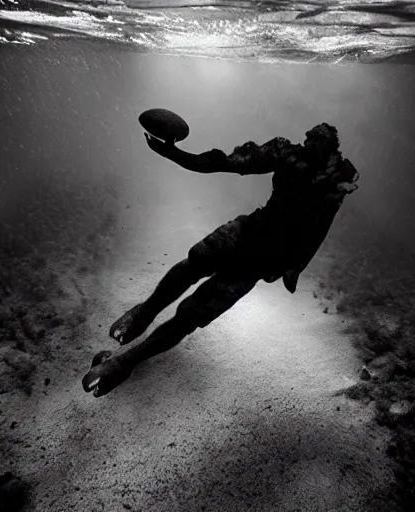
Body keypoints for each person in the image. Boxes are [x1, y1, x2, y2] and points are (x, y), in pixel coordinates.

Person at [83, 123, 359, 397]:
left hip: (266, 258)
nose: (312, 143)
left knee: (192, 314)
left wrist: (296, 265)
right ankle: (144, 313)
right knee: (194, 263)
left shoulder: (334, 180)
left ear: (330, 149)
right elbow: (224, 163)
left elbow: (320, 228)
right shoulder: (287, 154)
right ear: (306, 138)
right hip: (247, 230)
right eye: (310, 137)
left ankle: (125, 362)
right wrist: (175, 154)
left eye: (319, 142)